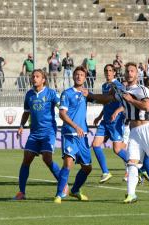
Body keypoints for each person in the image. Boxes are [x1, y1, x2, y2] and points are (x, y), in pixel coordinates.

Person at [87, 62, 149, 203]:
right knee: (131, 162)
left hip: (146, 128)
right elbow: (107, 99)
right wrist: (90, 95)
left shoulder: (142, 89)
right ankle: (131, 194)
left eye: (132, 71)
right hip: (133, 131)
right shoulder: (121, 91)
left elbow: (147, 106)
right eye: (127, 71)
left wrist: (131, 100)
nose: (129, 73)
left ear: (137, 74)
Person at [13, 69, 63, 200]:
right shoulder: (29, 94)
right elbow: (26, 112)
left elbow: (63, 108)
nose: (34, 78)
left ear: (43, 79)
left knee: (47, 159)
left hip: (48, 132)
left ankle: (63, 185)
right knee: (26, 159)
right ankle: (21, 192)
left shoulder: (51, 93)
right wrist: (21, 126)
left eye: (37, 76)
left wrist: (70, 121)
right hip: (34, 133)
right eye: (33, 76)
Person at [54, 66, 94, 204]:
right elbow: (62, 113)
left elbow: (101, 99)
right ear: (73, 77)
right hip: (70, 134)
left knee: (87, 167)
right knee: (68, 164)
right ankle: (59, 195)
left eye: (81, 75)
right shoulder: (67, 93)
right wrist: (75, 126)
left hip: (82, 136)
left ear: (85, 78)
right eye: (77, 74)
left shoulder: (86, 94)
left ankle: (75, 190)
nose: (78, 76)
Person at [91, 64, 129, 183]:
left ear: (114, 73)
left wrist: (117, 112)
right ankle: (106, 172)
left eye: (110, 70)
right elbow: (106, 103)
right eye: (106, 70)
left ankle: (137, 165)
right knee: (95, 144)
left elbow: (125, 103)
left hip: (115, 122)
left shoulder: (118, 86)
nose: (108, 72)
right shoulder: (105, 86)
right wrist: (99, 116)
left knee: (117, 150)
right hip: (105, 121)